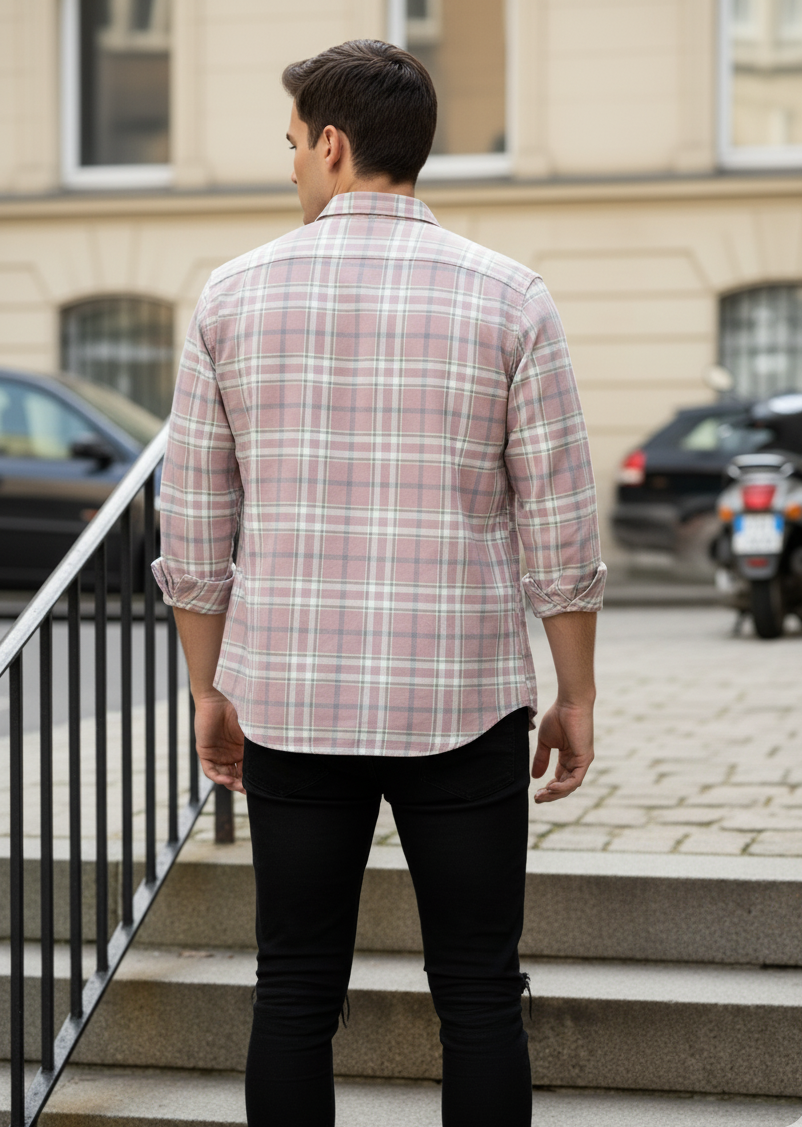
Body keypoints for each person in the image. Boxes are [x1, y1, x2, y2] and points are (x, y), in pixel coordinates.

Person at [152, 38, 605, 1127]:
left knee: (296, 988)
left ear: (336, 145)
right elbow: (558, 513)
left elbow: (195, 519)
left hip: (293, 702)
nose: (293, 166)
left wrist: (207, 686)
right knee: (480, 991)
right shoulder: (511, 296)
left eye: (296, 145)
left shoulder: (230, 295)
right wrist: (575, 692)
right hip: (460, 697)